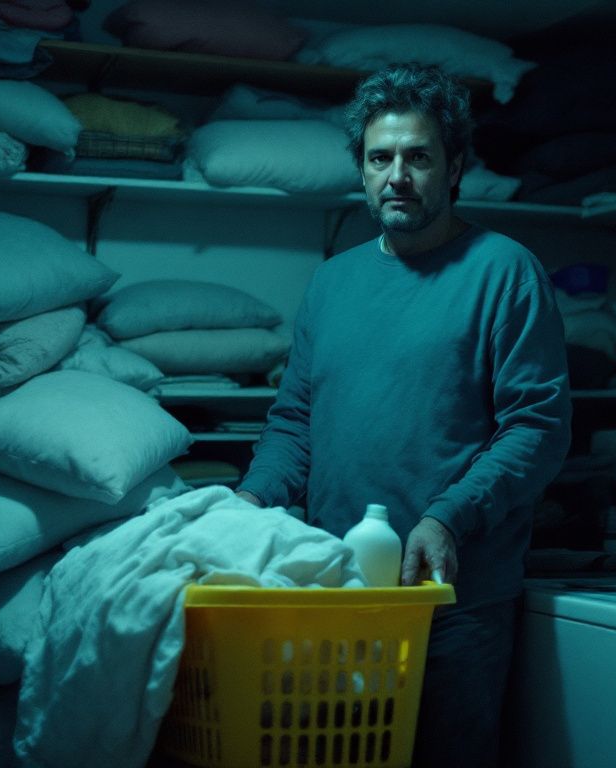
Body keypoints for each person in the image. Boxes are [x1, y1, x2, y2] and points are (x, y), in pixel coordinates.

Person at [234, 62, 571, 768]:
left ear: (453, 169)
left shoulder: (502, 270)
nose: (398, 176)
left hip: (454, 600)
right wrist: (247, 503)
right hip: (335, 590)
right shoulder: (333, 281)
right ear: (360, 170)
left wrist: (448, 516)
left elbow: (536, 427)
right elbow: (295, 420)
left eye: (418, 157)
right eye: (380, 158)